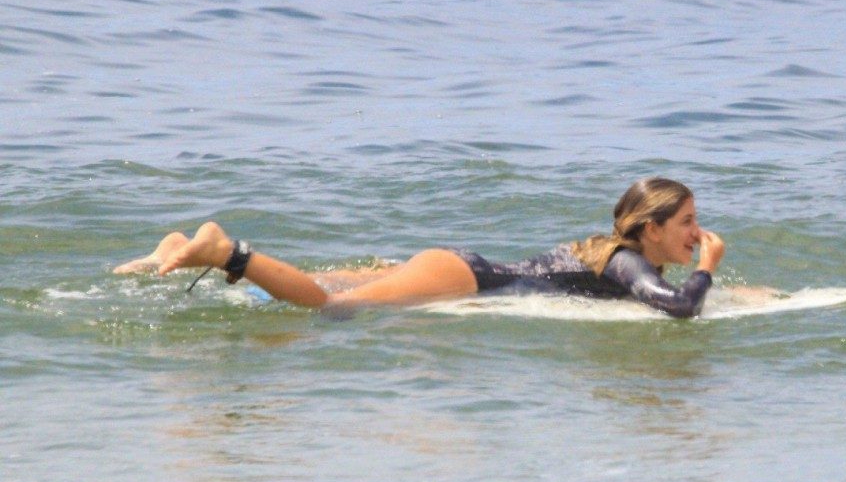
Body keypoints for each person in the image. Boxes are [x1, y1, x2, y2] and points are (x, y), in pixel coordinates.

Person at [113, 177, 725, 318]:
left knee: (338, 284)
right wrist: (706, 268)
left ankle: (172, 252)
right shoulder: (627, 262)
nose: (697, 232)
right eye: (688, 223)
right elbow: (676, 308)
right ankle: (225, 252)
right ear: (650, 229)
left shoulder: (612, 255)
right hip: (462, 278)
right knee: (330, 307)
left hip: (458, 266)